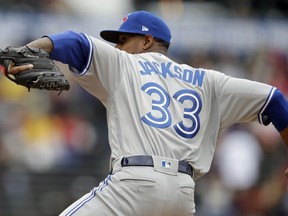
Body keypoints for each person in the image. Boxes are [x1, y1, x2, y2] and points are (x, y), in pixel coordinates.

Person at [5, 10, 288, 216]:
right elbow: (275, 100)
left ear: (146, 41)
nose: (117, 47)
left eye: (123, 39)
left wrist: (29, 49)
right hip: (182, 194)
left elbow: (75, 42)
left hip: (135, 184)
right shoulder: (209, 81)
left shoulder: (126, 64)